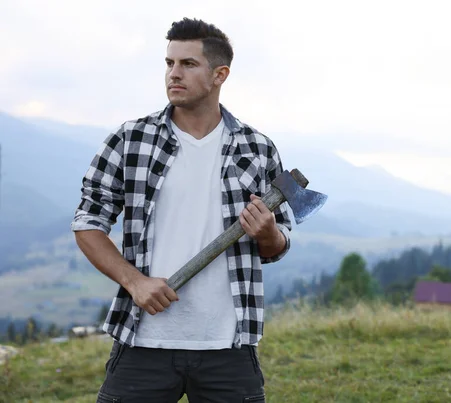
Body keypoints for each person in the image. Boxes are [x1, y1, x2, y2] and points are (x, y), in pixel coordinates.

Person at [71, 17, 292, 403]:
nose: (174, 73)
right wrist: (134, 281)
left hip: (229, 345)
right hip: (143, 340)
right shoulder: (131, 139)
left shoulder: (257, 148)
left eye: (188, 64)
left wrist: (268, 233)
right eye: (169, 63)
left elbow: (279, 243)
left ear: (219, 74)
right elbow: (87, 223)